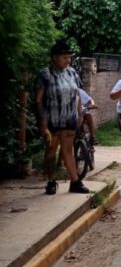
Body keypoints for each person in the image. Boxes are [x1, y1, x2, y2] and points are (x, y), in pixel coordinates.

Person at [35, 40, 89, 194]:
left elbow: (77, 93)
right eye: (64, 57)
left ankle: (75, 182)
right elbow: (39, 100)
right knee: (51, 151)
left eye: (69, 57)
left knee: (68, 150)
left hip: (69, 118)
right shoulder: (45, 74)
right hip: (52, 120)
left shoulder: (72, 72)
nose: (68, 60)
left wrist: (80, 113)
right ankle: (51, 181)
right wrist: (43, 122)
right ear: (54, 58)